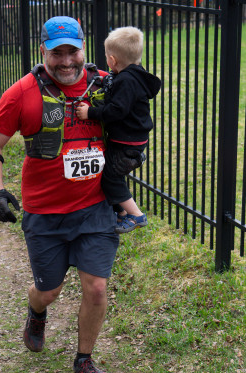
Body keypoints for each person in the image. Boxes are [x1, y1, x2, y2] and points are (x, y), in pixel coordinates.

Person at [0, 16, 135, 373]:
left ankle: (84, 361)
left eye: (73, 52)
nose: (67, 61)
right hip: (44, 213)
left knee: (96, 287)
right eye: (57, 53)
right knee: (49, 290)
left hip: (95, 207)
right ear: (43, 51)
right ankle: (37, 311)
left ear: (84, 49)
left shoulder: (105, 86)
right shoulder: (21, 93)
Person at [76, 26, 161, 234]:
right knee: (113, 174)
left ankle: (136, 215)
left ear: (112, 60)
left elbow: (117, 110)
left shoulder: (126, 81)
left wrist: (90, 113)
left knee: (111, 178)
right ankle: (121, 213)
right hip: (132, 140)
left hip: (127, 143)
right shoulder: (133, 76)